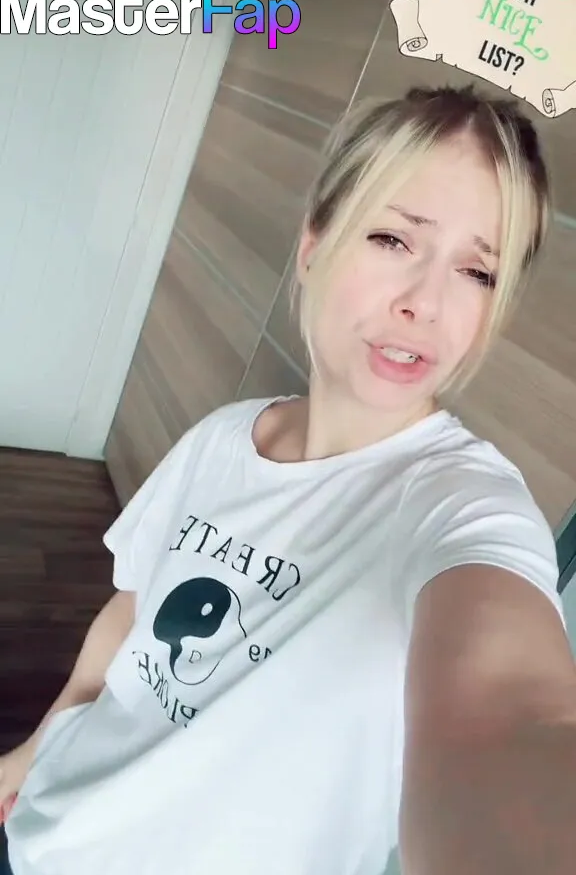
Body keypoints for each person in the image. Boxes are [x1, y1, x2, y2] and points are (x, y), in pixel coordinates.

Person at [1, 84, 576, 875]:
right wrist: (31, 754)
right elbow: (133, 611)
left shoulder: (465, 509)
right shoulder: (222, 438)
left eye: (477, 272)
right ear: (314, 246)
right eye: (393, 239)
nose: (426, 303)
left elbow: (510, 717)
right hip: (39, 832)